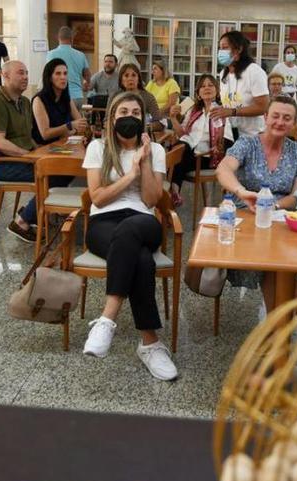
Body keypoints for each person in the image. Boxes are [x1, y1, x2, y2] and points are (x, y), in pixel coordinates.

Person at [79, 92, 177, 381]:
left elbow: (149, 201)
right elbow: (98, 197)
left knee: (131, 230)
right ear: (112, 118)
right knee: (142, 261)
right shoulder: (97, 147)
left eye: (136, 112)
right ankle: (150, 344)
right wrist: (129, 174)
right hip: (102, 224)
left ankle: (107, 318)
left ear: (143, 119)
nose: (130, 117)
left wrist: (144, 161)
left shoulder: (156, 151)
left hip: (143, 222)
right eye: (123, 111)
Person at [215, 96, 297, 306]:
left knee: (280, 251)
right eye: (275, 116)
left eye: (287, 118)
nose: (280, 122)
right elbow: (223, 169)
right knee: (273, 256)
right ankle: (285, 310)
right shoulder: (247, 143)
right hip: (246, 213)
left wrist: (273, 206)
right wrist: (241, 191)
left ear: (294, 123)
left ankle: (278, 319)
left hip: (281, 214)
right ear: (266, 117)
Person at [0, 61, 43, 243]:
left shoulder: (25, 102)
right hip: (2, 164)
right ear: (5, 76)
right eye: (20, 73)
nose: (26, 77)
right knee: (52, 175)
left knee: (58, 168)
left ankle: (33, 212)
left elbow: (27, 138)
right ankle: (22, 221)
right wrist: (30, 156)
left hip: (22, 160)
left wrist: (41, 153)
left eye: (27, 73)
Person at [170, 73, 231, 199]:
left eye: (210, 85)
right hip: (189, 153)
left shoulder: (222, 111)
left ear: (217, 90)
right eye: (203, 86)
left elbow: (227, 140)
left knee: (176, 158)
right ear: (198, 93)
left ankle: (171, 192)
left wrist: (219, 147)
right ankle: (174, 193)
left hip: (207, 157)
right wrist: (173, 119)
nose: (207, 88)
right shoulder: (193, 111)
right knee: (182, 150)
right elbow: (182, 134)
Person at [214, 30, 269, 139]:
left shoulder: (254, 71)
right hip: (230, 135)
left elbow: (263, 107)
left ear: (238, 49)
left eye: (225, 48)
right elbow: (228, 103)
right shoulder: (223, 74)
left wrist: (232, 112)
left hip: (252, 136)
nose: (221, 52)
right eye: (220, 48)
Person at [32, 58, 88, 146]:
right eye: (58, 73)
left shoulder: (66, 98)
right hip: (44, 148)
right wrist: (69, 126)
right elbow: (45, 134)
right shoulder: (39, 100)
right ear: (49, 78)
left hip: (64, 144)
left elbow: (80, 124)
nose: (63, 77)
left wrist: (78, 130)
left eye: (65, 73)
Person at [46, 26, 90, 104]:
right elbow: (87, 74)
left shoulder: (51, 54)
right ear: (71, 38)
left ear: (58, 38)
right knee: (77, 116)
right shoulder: (80, 55)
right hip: (77, 96)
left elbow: (48, 74)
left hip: (59, 96)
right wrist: (86, 84)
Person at [114, 63, 164, 132]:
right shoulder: (115, 96)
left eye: (134, 75)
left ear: (139, 79)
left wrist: (143, 128)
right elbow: (106, 120)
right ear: (121, 80)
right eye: (126, 76)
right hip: (118, 133)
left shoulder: (148, 97)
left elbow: (159, 123)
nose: (130, 79)